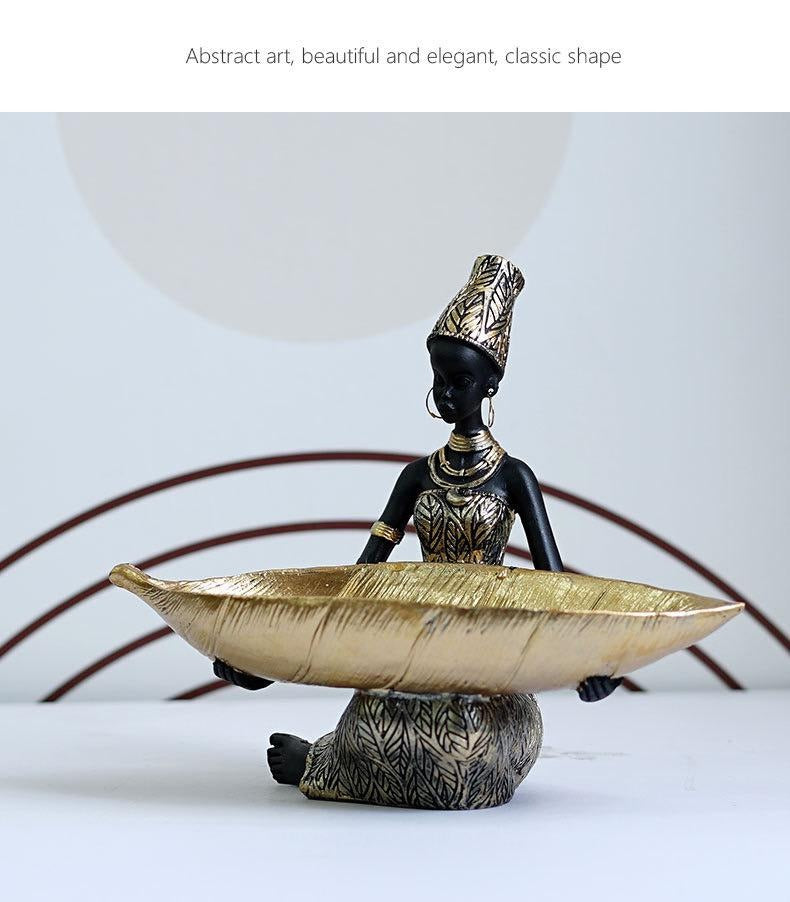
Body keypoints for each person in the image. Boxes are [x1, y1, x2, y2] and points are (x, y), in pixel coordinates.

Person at [215, 254, 621, 809]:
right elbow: (356, 584)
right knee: (378, 726)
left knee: (471, 744)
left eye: (461, 381)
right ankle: (326, 760)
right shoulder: (416, 476)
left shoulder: (513, 478)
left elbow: (557, 589)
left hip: (489, 673)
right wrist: (265, 660)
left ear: (491, 384)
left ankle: (327, 765)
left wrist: (594, 666)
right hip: (412, 655)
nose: (447, 394)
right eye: (439, 380)